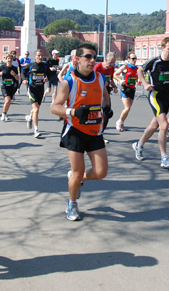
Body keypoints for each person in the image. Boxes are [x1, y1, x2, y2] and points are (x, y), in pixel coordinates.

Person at [51, 43, 110, 221]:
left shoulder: (100, 78)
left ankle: (75, 179)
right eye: (88, 57)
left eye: (94, 57)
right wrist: (73, 112)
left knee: (101, 172)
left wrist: (107, 109)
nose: (92, 60)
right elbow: (55, 108)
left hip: (95, 130)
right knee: (78, 172)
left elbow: (105, 97)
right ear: (77, 59)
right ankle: (72, 204)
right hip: (75, 130)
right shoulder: (68, 81)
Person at [132, 36, 169, 168]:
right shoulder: (154, 62)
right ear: (163, 48)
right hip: (155, 95)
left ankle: (139, 144)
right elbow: (139, 70)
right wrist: (145, 83)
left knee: (154, 126)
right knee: (164, 125)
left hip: (166, 96)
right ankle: (164, 158)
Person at [23, 50, 48, 138]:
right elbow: (23, 72)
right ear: (35, 57)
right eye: (38, 55)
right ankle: (36, 130)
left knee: (35, 110)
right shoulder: (31, 65)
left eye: (41, 55)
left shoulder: (45, 66)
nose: (40, 57)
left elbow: (49, 74)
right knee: (36, 110)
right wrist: (24, 79)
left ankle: (29, 117)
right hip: (32, 89)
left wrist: (47, 78)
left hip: (40, 89)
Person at [113, 52, 139, 131]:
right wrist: (120, 80)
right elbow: (114, 74)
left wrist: (137, 80)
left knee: (129, 108)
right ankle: (118, 122)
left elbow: (137, 77)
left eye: (135, 58)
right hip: (125, 89)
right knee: (127, 108)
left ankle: (121, 122)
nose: (134, 60)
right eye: (133, 59)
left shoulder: (136, 68)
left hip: (132, 89)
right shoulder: (125, 67)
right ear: (128, 59)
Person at [94, 52, 117, 132]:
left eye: (113, 63)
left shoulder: (111, 68)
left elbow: (110, 79)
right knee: (96, 112)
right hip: (96, 91)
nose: (112, 65)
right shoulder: (98, 67)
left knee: (107, 112)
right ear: (106, 60)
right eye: (111, 62)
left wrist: (114, 87)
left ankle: (101, 132)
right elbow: (92, 79)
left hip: (106, 92)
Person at [0, 54, 19, 121]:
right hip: (4, 86)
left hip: (12, 86)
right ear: (6, 59)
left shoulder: (14, 68)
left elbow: (17, 78)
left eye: (10, 59)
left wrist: (14, 74)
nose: (9, 60)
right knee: (7, 100)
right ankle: (3, 114)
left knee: (9, 102)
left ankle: (5, 113)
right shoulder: (2, 67)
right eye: (8, 59)